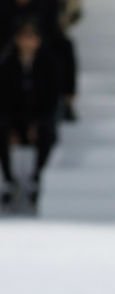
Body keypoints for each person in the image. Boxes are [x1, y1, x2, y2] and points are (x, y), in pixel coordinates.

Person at [0, 16, 60, 210]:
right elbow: (4, 99)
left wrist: (37, 122)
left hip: (40, 117)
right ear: (17, 39)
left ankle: (37, 178)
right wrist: (12, 127)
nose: (27, 41)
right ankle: (8, 179)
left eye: (31, 36)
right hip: (14, 118)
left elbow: (51, 98)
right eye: (24, 36)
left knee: (47, 132)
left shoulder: (48, 64)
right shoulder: (7, 64)